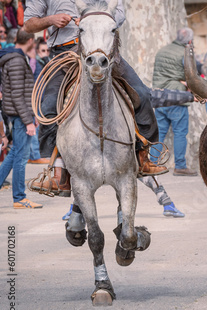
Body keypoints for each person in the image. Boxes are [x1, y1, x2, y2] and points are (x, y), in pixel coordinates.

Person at [24, 0, 168, 197]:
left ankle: (144, 157)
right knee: (48, 105)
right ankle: (58, 175)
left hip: (103, 52)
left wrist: (93, 21)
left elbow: (119, 14)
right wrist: (51, 19)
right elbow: (29, 24)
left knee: (142, 94)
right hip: (64, 53)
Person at [0, 28, 43, 209]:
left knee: (15, 152)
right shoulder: (17, 61)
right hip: (19, 116)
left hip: (21, 114)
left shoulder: (17, 58)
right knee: (22, 156)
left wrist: (33, 114)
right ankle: (19, 198)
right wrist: (28, 121)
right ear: (31, 41)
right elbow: (18, 95)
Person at [152, 27, 198, 177]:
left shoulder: (162, 51)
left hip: (159, 98)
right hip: (177, 98)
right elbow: (192, 76)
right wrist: (186, 84)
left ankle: (152, 163)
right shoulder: (185, 53)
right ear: (189, 41)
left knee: (159, 133)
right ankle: (180, 166)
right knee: (179, 133)